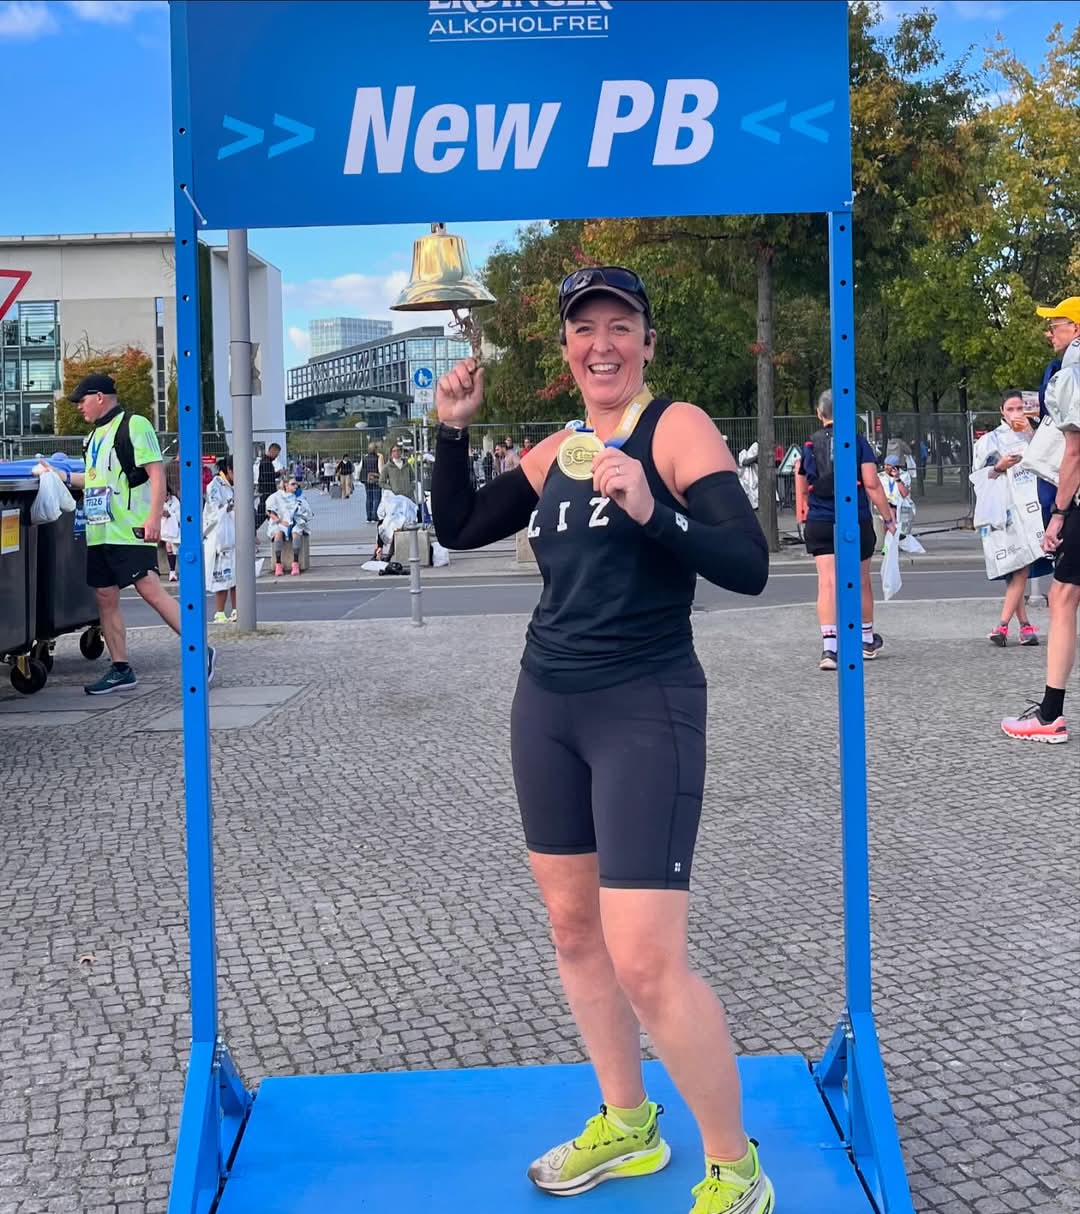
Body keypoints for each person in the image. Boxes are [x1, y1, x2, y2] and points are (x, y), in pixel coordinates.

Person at [432, 266, 773, 1214]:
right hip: (547, 705)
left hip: (644, 704)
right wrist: (449, 429)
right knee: (574, 930)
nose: (602, 344)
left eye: (620, 326)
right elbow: (456, 526)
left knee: (647, 960)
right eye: (586, 330)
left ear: (647, 342)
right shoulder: (560, 449)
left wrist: (653, 509)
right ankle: (628, 1124)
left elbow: (748, 564)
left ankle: (736, 1170)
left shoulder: (679, 428)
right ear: (569, 350)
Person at [36, 373, 214, 692]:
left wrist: (154, 518)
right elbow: (93, 481)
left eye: (82, 400)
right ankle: (120, 668)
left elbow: (156, 474)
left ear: (100, 397)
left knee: (150, 590)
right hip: (100, 531)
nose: (79, 407)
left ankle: (200, 649)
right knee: (105, 598)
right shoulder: (93, 438)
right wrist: (60, 475)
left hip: (129, 529)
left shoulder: (135, 425)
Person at [1002, 296, 1080, 742]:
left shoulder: (1072, 373)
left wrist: (1058, 515)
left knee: (1063, 597)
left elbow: (1073, 452)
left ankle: (1050, 715)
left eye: (1057, 324)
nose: (1049, 332)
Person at [798, 390, 896, 671]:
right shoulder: (857, 442)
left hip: (820, 519)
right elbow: (872, 484)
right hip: (854, 517)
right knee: (862, 580)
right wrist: (887, 517)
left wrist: (806, 510)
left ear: (819, 414)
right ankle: (866, 640)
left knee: (827, 582)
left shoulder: (809, 445)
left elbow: (802, 486)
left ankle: (830, 647)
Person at [973, 390, 1051, 648]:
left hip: (1032, 510)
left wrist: (1031, 433)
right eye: (1011, 409)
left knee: (1021, 567)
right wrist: (999, 467)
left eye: (1020, 408)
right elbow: (979, 477)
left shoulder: (1036, 434)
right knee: (1014, 570)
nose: (1016, 413)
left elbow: (1051, 461)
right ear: (1002, 412)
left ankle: (1004, 626)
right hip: (1003, 511)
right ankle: (1024, 627)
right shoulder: (989, 441)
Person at [203, 455, 238, 624]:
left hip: (234, 535)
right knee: (222, 577)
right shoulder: (215, 486)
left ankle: (238, 609)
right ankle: (219, 612)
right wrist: (229, 506)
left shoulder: (234, 486)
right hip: (219, 537)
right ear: (229, 470)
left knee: (238, 577)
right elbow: (215, 511)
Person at [265, 473, 314, 576]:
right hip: (279, 522)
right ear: (286, 485)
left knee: (296, 533)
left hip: (295, 522)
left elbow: (307, 511)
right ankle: (279, 564)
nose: (295, 486)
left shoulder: (299, 496)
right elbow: (269, 512)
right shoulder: (276, 496)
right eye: (293, 484)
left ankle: (295, 563)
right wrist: (279, 521)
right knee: (278, 534)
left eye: (296, 484)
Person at [879, 454, 915, 541]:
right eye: (885, 465)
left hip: (900, 504)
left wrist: (897, 479)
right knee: (889, 509)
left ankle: (887, 545)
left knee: (891, 511)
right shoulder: (880, 476)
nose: (886, 467)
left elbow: (904, 494)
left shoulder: (904, 475)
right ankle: (894, 531)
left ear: (895, 466)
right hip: (883, 504)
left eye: (889, 465)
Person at [160, 461, 182, 582]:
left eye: (166, 495)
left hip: (176, 529)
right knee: (168, 546)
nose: (165, 497)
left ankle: (178, 571)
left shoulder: (175, 501)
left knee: (177, 549)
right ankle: (172, 572)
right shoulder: (159, 502)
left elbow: (178, 514)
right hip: (166, 529)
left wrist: (170, 515)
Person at [255, 444, 281, 529]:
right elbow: (269, 476)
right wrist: (279, 473)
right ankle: (252, 531)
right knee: (263, 514)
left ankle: (275, 532)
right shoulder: (267, 462)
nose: (276, 457)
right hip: (267, 492)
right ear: (272, 451)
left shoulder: (266, 461)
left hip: (266, 491)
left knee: (267, 514)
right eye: (276, 454)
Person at [361, 442, 382, 521]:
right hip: (376, 479)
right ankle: (375, 515)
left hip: (367, 480)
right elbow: (380, 469)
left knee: (369, 498)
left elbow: (362, 469)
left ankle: (368, 516)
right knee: (376, 498)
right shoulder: (378, 458)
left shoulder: (365, 458)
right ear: (375, 449)